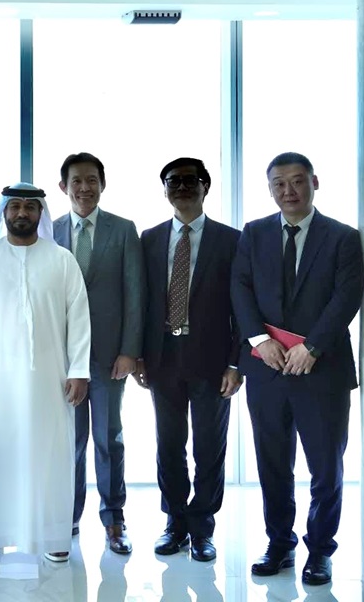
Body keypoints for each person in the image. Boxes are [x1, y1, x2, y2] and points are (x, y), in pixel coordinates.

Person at [231, 152, 363, 586]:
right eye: (279, 183)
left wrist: (313, 346)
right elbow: (241, 288)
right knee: (272, 462)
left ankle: (320, 551)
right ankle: (280, 544)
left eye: (297, 182)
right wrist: (259, 341)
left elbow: (347, 295)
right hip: (267, 370)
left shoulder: (342, 237)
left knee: (326, 466)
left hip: (322, 372)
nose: (288, 191)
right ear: (270, 188)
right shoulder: (253, 233)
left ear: (315, 183)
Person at [0, 183, 90, 563]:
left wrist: (79, 370)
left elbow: (79, 320)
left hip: (51, 379)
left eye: (30, 208)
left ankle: (53, 537)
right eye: (15, 206)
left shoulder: (62, 259)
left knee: (50, 455)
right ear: (3, 212)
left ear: (41, 214)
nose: (22, 213)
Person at [136, 159, 241, 562]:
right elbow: (142, 301)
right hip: (162, 356)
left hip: (212, 360)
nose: (181, 187)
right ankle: (175, 522)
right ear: (164, 190)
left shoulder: (232, 240)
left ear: (206, 187)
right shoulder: (149, 238)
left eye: (189, 180)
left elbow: (241, 307)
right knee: (169, 444)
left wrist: (236, 363)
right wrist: (141, 354)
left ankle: (203, 528)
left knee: (210, 446)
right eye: (172, 182)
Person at [52, 152, 143, 553]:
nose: (84, 188)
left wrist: (129, 351)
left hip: (109, 356)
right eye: (77, 181)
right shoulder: (49, 232)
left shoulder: (123, 230)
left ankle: (114, 520)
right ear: (64, 187)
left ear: (102, 185)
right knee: (69, 440)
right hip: (61, 359)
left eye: (92, 180)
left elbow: (135, 296)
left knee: (109, 438)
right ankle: (66, 516)